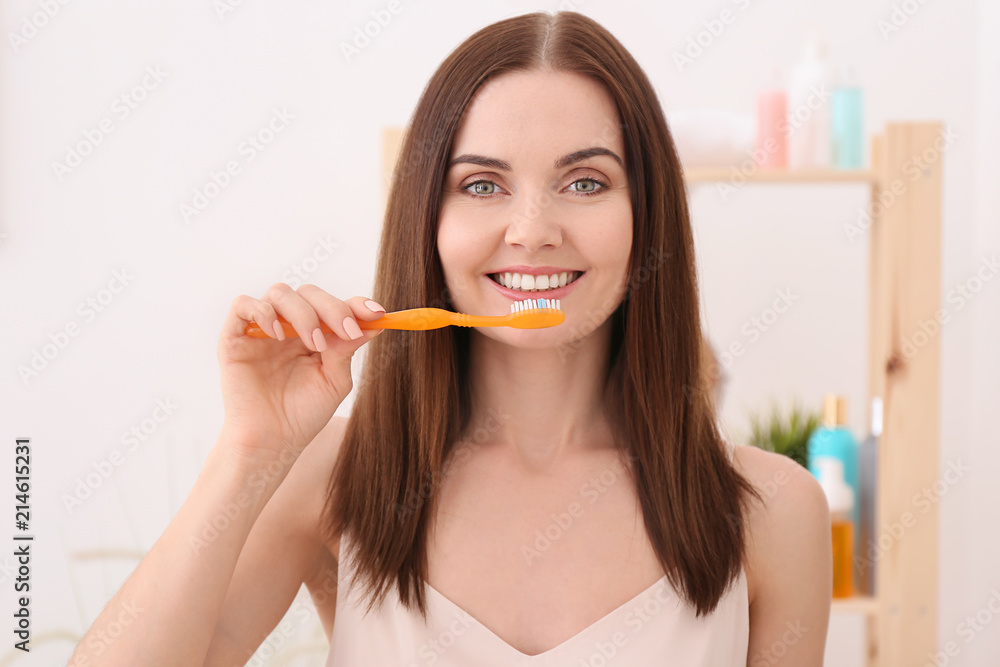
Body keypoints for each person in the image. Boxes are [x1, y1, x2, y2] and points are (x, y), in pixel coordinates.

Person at [70, 11, 831, 666]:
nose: (532, 232)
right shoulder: (334, 474)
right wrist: (250, 448)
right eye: (482, 185)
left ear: (647, 217)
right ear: (427, 223)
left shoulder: (772, 511)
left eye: (586, 182)